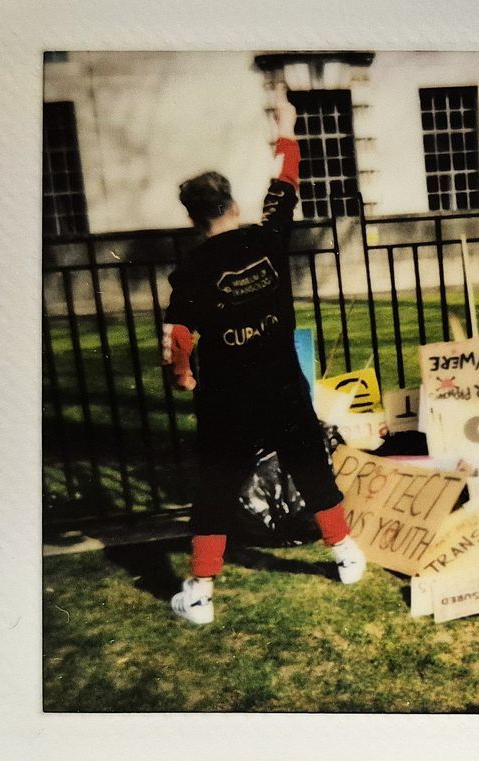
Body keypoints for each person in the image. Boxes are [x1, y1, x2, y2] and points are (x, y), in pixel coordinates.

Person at [162, 92, 365, 625]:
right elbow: (285, 184)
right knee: (309, 461)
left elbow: (178, 333)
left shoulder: (189, 271)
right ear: (231, 206)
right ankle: (345, 554)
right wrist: (287, 129)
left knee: (217, 482)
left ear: (192, 218)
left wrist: (183, 373)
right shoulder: (268, 237)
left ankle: (201, 593)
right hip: (281, 382)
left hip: (227, 394)